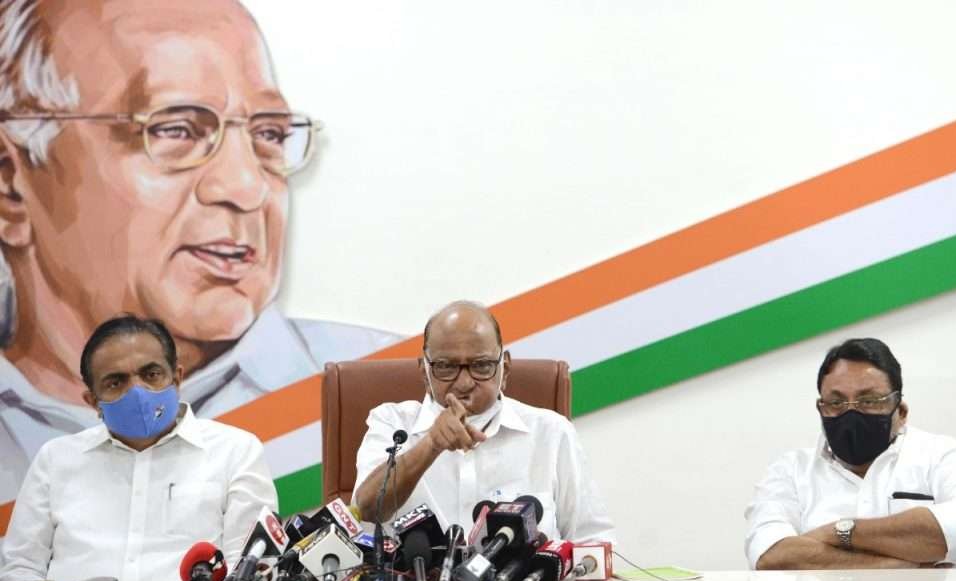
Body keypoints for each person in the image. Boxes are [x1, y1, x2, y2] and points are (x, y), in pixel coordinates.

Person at [0, 0, 398, 513]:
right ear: (10, 183)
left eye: (269, 134)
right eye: (175, 129)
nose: (248, 186)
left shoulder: (387, 397)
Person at [0, 315, 277, 581]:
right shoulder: (56, 460)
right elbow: (21, 568)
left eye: (151, 374)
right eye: (115, 382)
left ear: (177, 379)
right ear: (93, 401)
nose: (137, 391)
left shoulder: (235, 451)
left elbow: (248, 568)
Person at [353, 301, 615, 542]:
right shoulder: (392, 423)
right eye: (446, 366)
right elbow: (366, 510)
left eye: (481, 366)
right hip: (416, 580)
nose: (464, 383)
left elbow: (593, 541)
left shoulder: (551, 432)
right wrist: (431, 444)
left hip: (525, 580)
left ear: (505, 369)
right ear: (424, 372)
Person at [745, 338, 956, 569]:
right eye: (836, 402)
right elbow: (770, 555)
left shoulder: (939, 454)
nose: (851, 414)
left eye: (869, 401)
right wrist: (898, 565)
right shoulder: (790, 470)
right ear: (821, 408)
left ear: (901, 411)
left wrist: (839, 532)